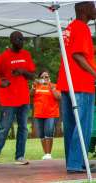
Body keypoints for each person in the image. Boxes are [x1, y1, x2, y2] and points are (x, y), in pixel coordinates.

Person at [57, 2, 96, 173]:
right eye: (93, 7)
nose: (95, 11)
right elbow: (77, 55)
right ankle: (76, 163)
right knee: (83, 124)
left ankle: (75, 162)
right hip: (81, 83)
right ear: (84, 10)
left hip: (67, 82)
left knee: (72, 125)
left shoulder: (70, 27)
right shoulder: (82, 28)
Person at [0, 31, 35, 166]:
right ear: (12, 40)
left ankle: (19, 156)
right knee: (4, 128)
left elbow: (32, 75)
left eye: (22, 39)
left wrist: (22, 71)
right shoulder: (4, 57)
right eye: (18, 39)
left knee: (23, 128)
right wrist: (1, 82)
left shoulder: (26, 55)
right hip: (8, 100)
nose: (21, 41)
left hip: (24, 99)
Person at [32, 70, 60, 160]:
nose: (44, 78)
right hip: (38, 113)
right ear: (39, 78)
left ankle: (48, 154)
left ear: (49, 78)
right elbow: (30, 95)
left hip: (50, 114)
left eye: (46, 77)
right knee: (41, 135)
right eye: (42, 77)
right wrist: (33, 87)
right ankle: (45, 154)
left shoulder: (54, 86)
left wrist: (52, 88)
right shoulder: (37, 86)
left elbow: (58, 97)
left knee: (48, 133)